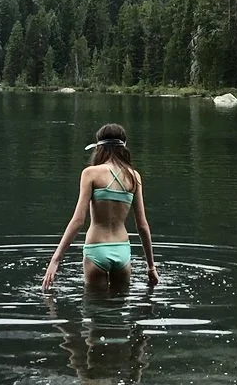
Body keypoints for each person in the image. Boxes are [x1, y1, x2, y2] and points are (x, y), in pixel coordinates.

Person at [42, 123, 158, 294]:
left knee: (94, 304)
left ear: (98, 148)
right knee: (119, 305)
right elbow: (142, 226)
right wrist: (151, 267)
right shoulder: (134, 177)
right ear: (124, 147)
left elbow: (78, 220)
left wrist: (55, 259)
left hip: (96, 249)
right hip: (122, 250)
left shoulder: (90, 173)